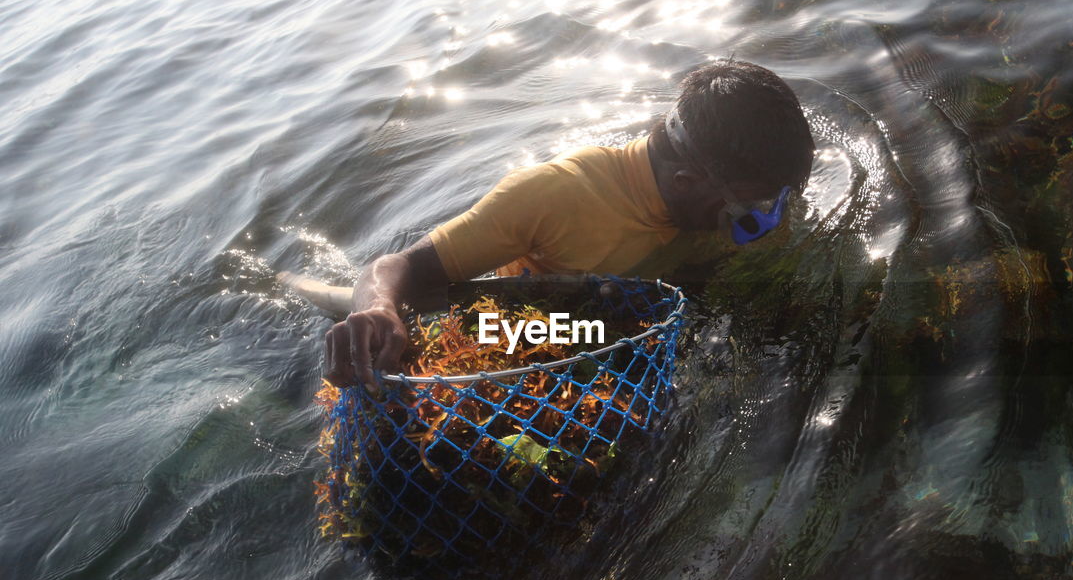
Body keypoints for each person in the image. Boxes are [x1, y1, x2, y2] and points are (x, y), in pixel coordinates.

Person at [297, 58, 815, 391]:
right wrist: (379, 306)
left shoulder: (705, 197)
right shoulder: (554, 195)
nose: (769, 221)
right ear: (684, 181)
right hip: (539, 330)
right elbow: (400, 265)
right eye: (753, 214)